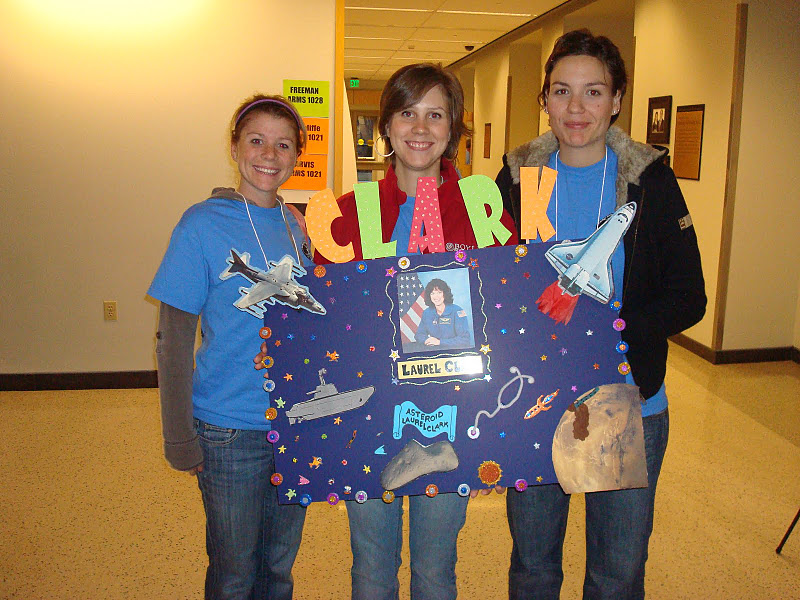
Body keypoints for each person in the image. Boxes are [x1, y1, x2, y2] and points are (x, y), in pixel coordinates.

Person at [256, 63, 518, 600]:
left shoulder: (483, 213)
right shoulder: (347, 215)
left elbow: (512, 316)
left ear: (454, 128)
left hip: (451, 417)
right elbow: (323, 321)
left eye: (435, 115)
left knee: (436, 568)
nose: (420, 128)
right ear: (387, 125)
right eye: (406, 113)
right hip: (368, 417)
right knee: (372, 566)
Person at [495, 30, 706, 599]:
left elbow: (689, 295)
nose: (576, 107)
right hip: (536, 400)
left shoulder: (648, 181)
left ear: (616, 101)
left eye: (594, 91)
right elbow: (490, 283)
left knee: (616, 574)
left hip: (628, 400)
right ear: (544, 99)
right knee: (534, 567)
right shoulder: (516, 179)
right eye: (562, 90)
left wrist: (610, 332)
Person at [148, 94, 310, 599]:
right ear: (235, 146)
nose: (269, 155)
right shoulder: (201, 224)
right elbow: (172, 341)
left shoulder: (298, 226)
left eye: (283, 144)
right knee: (234, 571)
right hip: (228, 428)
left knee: (278, 567)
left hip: (293, 424)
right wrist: (179, 436)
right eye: (256, 140)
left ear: (297, 155)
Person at [414, 278, 470, 349]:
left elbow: (465, 339)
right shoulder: (427, 313)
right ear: (429, 296)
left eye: (439, 292)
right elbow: (419, 334)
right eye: (432, 293)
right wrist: (426, 340)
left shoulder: (458, 311)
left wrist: (439, 342)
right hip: (433, 350)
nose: (436, 296)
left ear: (445, 294)